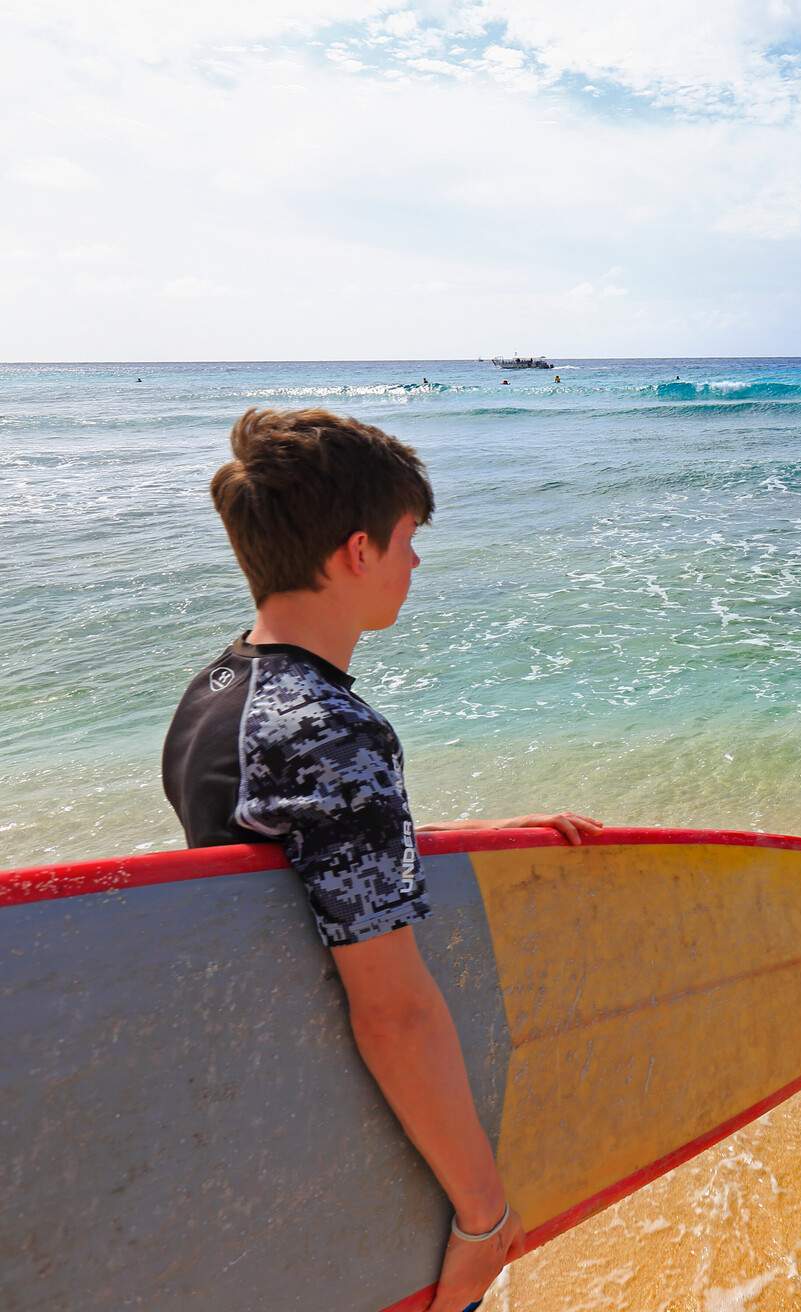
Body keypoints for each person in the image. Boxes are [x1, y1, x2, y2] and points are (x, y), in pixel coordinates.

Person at [161, 408, 605, 1311]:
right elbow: (393, 1011)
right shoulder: (334, 735)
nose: (415, 564)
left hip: (263, 1100)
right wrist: (484, 1219)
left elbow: (286, 868)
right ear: (357, 552)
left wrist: (461, 840)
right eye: (408, 542)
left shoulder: (218, 688)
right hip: (358, 1131)